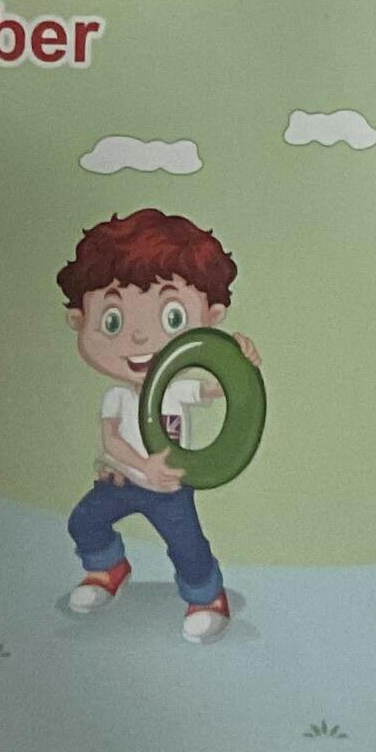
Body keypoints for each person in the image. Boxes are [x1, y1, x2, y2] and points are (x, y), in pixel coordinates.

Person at [55, 208, 249, 643]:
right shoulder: (118, 397)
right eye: (113, 321)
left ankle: (207, 599)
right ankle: (107, 569)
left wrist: (239, 362)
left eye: (171, 317)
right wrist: (144, 465)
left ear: (211, 316)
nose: (140, 338)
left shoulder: (177, 389)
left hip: (170, 489)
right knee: (84, 521)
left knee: (188, 547)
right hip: (121, 481)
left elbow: (220, 389)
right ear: (79, 321)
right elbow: (111, 439)